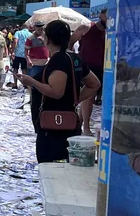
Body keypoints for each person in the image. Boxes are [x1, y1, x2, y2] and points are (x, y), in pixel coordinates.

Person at [19, 20, 100, 163]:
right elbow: (94, 84)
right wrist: (74, 99)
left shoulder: (59, 60)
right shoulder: (74, 58)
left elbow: (56, 92)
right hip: (67, 124)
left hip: (53, 128)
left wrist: (31, 81)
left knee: (51, 169)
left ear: (47, 39)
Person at [73, 8, 108, 136]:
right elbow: (71, 41)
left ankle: (79, 124)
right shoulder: (88, 27)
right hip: (87, 67)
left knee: (88, 99)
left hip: (103, 67)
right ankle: (86, 127)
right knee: (88, 98)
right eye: (107, 15)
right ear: (101, 15)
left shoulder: (111, 31)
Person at [26, 21, 50, 132]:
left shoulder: (46, 36)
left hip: (46, 63)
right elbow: (26, 50)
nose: (40, 29)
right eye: (38, 27)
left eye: (41, 27)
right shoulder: (31, 38)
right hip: (35, 63)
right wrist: (28, 60)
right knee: (34, 85)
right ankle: (33, 101)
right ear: (35, 27)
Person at [11, 23, 32, 88]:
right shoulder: (31, 34)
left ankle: (15, 84)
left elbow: (15, 41)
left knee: (15, 69)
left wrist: (13, 51)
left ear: (22, 27)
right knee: (24, 69)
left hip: (17, 53)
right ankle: (25, 84)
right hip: (26, 54)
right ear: (28, 28)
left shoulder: (18, 32)